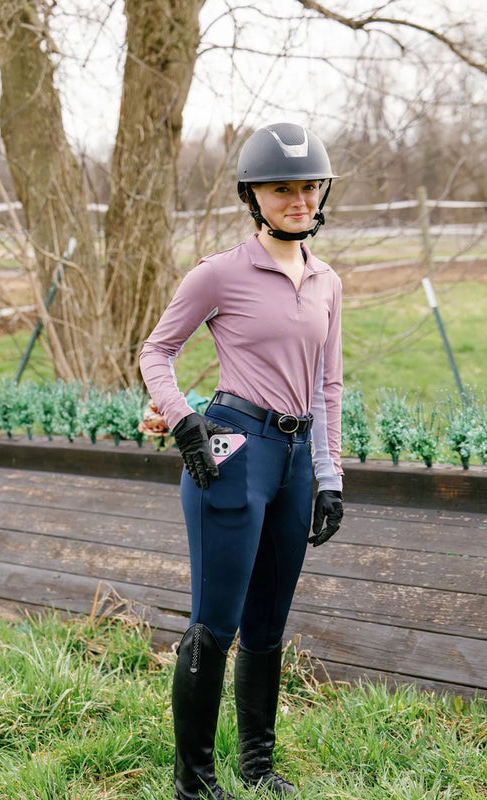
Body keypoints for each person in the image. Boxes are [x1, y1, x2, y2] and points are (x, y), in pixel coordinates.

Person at [139, 122, 344, 800]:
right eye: (282, 188)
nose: (297, 199)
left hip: (292, 457)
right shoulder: (220, 273)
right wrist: (181, 417)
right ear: (253, 197)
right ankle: (193, 785)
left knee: (267, 624)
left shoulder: (325, 282)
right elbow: (155, 351)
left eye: (308, 186)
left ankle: (257, 766)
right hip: (230, 449)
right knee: (216, 620)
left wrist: (328, 476)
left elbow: (326, 386)